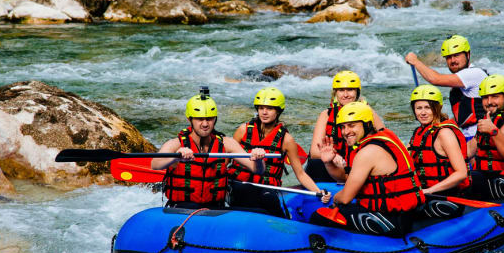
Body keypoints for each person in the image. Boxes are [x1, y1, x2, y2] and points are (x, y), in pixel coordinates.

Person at [309, 101, 425, 237]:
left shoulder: (368, 152)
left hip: (392, 220)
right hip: (401, 214)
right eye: (343, 127)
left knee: (318, 216)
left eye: (352, 125)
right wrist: (329, 163)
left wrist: (335, 199)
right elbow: (346, 178)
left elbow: (345, 198)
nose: (346, 132)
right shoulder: (382, 137)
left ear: (367, 124)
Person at [151, 90, 266, 209]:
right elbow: (155, 164)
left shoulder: (227, 144)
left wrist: (258, 159)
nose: (205, 124)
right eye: (200, 119)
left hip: (215, 209)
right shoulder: (176, 144)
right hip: (182, 208)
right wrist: (176, 156)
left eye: (209, 119)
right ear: (189, 119)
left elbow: (257, 170)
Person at [228, 87, 330, 215]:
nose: (264, 112)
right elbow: (224, 161)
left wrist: (318, 191)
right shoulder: (243, 130)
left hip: (267, 188)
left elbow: (300, 174)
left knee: (267, 198)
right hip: (239, 183)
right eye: (261, 108)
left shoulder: (286, 140)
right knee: (245, 190)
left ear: (278, 111)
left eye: (269, 109)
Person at [405, 35, 487, 150]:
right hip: (466, 136)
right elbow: (465, 115)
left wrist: (416, 62)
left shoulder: (474, 74)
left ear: (468, 55)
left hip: (479, 138)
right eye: (448, 57)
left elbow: (435, 79)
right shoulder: (460, 82)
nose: (453, 60)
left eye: (457, 55)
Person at [306, 70, 384, 182]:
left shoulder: (369, 112)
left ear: (357, 92)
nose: (346, 95)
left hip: (358, 164)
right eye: (341, 90)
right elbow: (314, 152)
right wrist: (334, 157)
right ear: (335, 93)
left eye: (350, 90)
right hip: (333, 163)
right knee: (316, 163)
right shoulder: (326, 115)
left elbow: (384, 140)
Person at [408, 84, 470, 195]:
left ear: (438, 108)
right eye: (419, 108)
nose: (423, 113)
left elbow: (461, 173)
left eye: (428, 107)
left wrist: (429, 191)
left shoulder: (444, 133)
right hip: (425, 192)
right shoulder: (419, 132)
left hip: (447, 194)